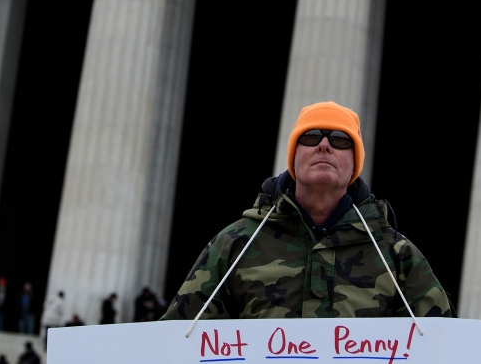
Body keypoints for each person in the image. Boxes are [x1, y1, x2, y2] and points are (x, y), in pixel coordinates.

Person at [162, 101, 451, 320]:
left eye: (340, 140)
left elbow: (441, 345)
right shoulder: (235, 244)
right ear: (293, 157)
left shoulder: (396, 254)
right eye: (310, 136)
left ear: (354, 162)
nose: (324, 146)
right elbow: (177, 339)